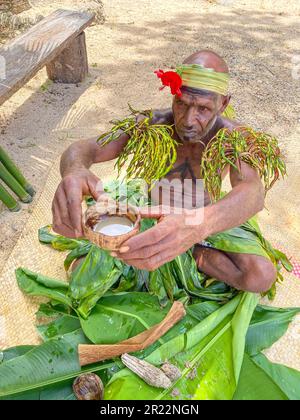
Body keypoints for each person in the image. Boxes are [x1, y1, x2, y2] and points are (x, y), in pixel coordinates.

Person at [52, 50, 281, 293]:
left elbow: (253, 193)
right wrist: (74, 170)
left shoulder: (232, 138)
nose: (188, 120)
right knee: (80, 273)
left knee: (260, 276)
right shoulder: (153, 125)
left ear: (223, 103)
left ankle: (192, 251)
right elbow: (83, 148)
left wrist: (195, 227)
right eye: (181, 103)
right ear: (173, 95)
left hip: (204, 220)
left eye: (203, 109)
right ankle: (166, 247)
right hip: (150, 214)